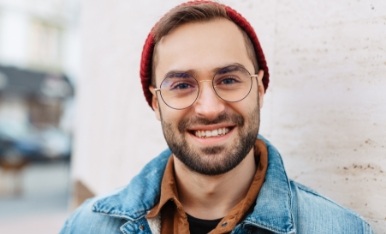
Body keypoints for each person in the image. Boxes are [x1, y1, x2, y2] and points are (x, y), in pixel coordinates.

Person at [61, 1, 373, 233]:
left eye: (228, 80)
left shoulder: (341, 229)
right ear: (156, 104)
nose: (209, 108)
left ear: (260, 90)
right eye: (182, 85)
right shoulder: (88, 226)